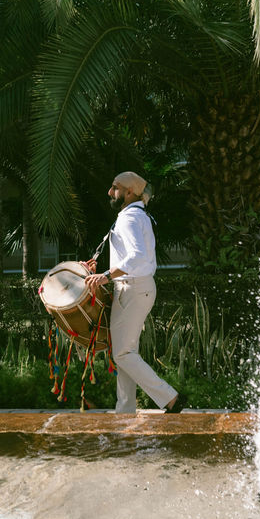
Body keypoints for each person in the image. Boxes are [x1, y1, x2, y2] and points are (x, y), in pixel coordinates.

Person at [84, 172, 186, 414]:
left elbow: (137, 256)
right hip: (135, 288)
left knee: (122, 353)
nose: (110, 192)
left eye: (114, 187)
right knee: (126, 352)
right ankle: (125, 410)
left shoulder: (129, 218)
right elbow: (132, 255)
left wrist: (106, 276)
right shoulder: (135, 215)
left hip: (133, 289)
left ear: (129, 192)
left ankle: (170, 398)